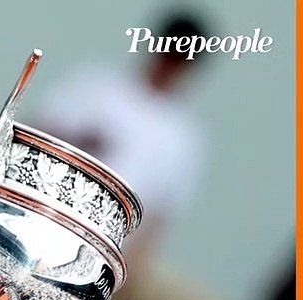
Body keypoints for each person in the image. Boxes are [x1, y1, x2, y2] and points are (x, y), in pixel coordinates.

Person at [30, 9, 211, 273]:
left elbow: (157, 220)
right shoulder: (96, 86)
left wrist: (128, 272)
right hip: (42, 215)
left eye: (179, 59)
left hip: (98, 252)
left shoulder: (184, 141)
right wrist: (77, 142)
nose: (169, 64)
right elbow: (34, 133)